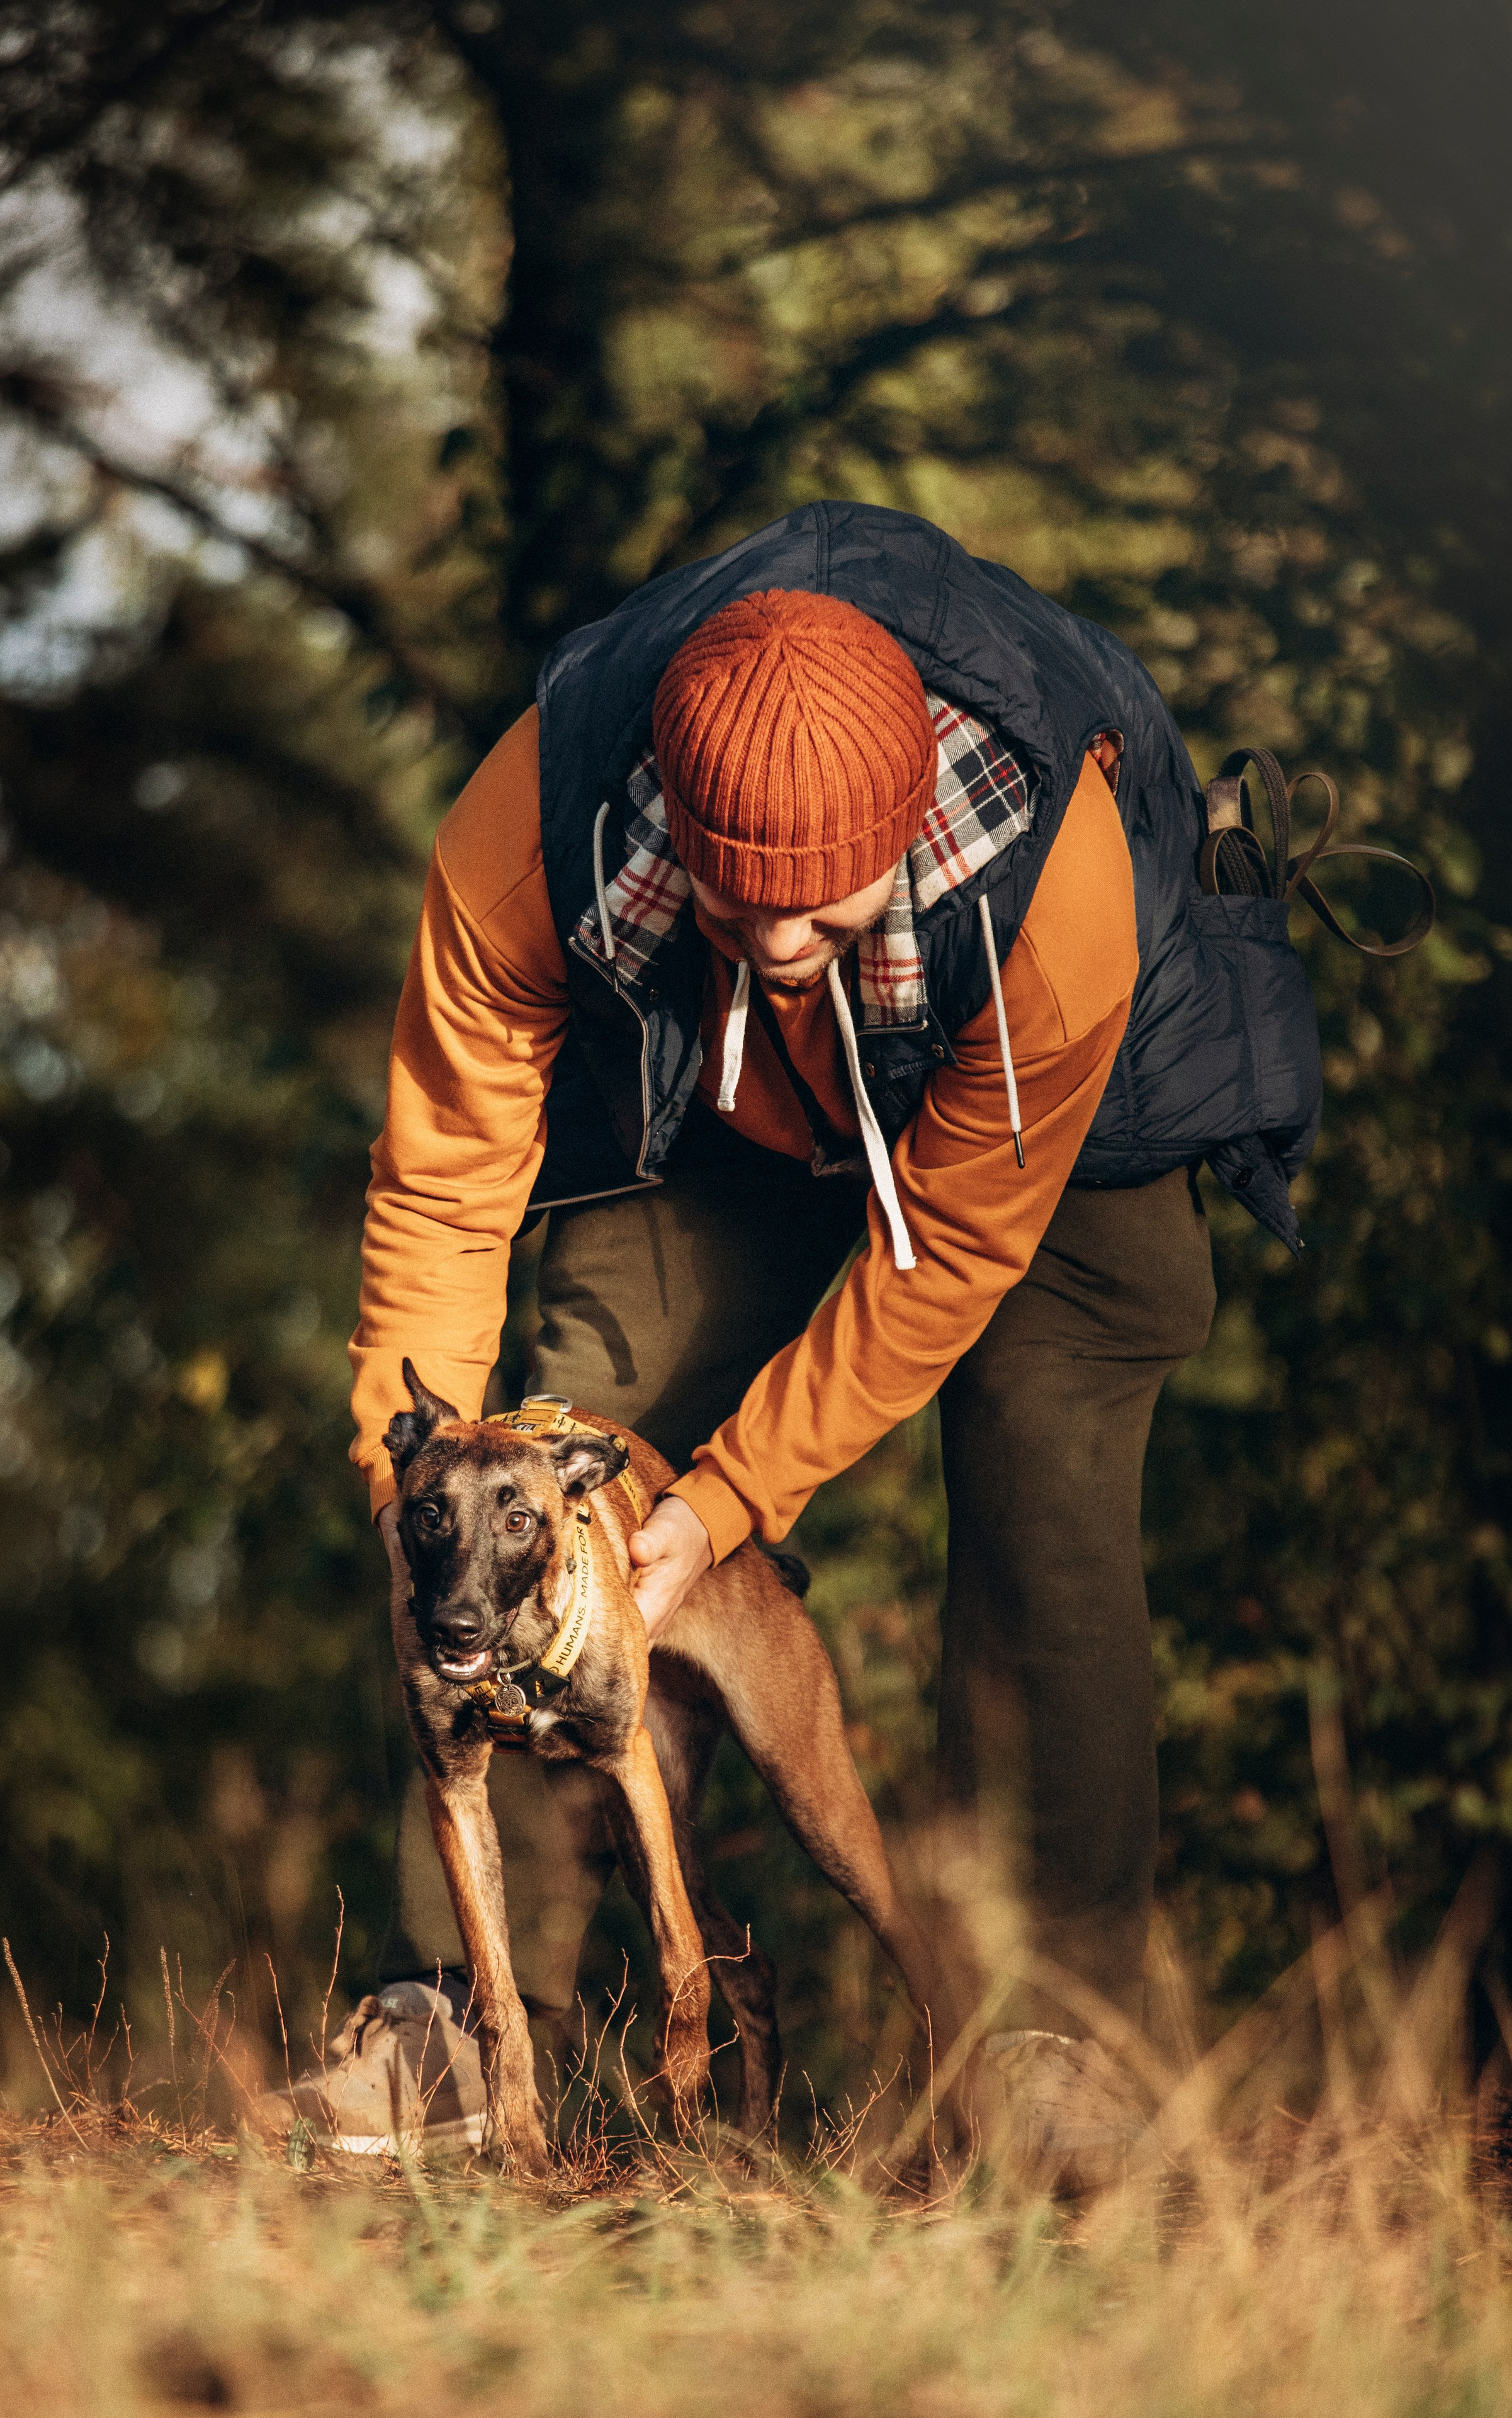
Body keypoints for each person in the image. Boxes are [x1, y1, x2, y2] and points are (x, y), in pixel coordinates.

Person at [274, 503, 1321, 2181]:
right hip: (719, 1113)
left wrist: (732, 1496)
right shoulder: (527, 839)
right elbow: (446, 1181)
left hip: (1065, 1124)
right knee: (570, 1435)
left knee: (1044, 1466)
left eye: (815, 915)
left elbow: (959, 1243)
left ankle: (1047, 2038)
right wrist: (414, 1493)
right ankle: (461, 2017)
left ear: (904, 836)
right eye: (733, 898)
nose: (774, 940)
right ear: (668, 825)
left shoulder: (1052, 891)